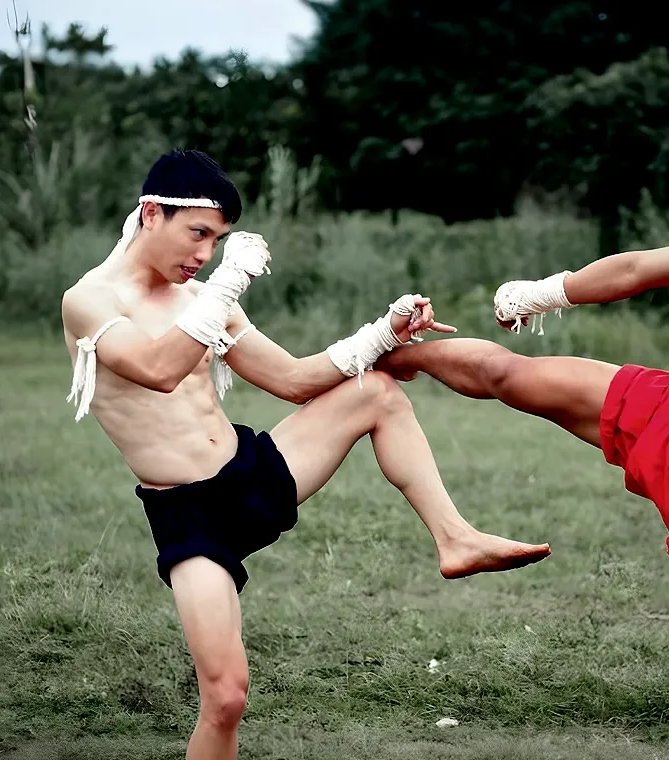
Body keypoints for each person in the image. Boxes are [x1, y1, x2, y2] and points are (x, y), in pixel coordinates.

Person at [373, 90, 669, 759]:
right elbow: (636, 270)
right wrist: (545, 292)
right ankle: (386, 356)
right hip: (663, 412)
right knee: (509, 375)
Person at [59, 149, 551, 760]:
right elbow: (157, 370)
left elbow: (294, 379)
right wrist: (228, 282)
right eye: (198, 234)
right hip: (190, 517)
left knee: (376, 393)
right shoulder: (90, 300)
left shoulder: (202, 299)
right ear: (152, 213)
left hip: (253, 472)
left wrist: (385, 332)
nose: (204, 255)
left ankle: (455, 537)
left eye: (217, 242)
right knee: (226, 698)